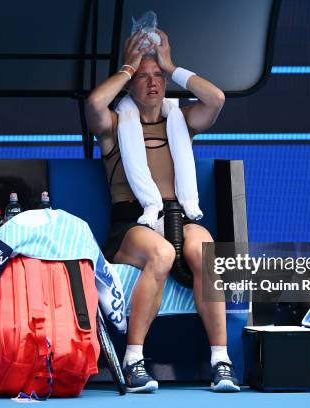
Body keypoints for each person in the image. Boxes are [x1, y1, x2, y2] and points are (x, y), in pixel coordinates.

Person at [86, 29, 239, 393]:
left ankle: (221, 361)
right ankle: (133, 360)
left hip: (178, 218)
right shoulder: (115, 124)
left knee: (206, 250)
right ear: (130, 83)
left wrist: (172, 68)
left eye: (157, 76)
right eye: (143, 76)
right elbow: (94, 104)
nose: (152, 83)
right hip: (131, 224)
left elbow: (215, 98)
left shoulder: (181, 120)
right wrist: (127, 67)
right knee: (162, 252)